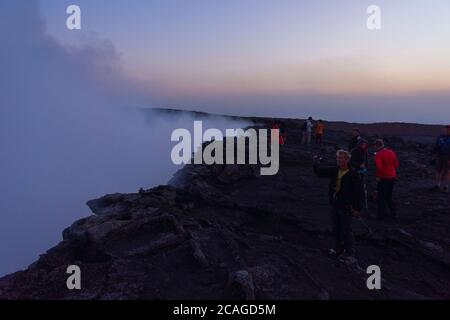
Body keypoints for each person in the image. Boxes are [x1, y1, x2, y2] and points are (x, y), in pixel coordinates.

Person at [313, 150, 363, 259]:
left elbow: (358, 193)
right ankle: (338, 249)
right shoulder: (335, 170)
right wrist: (316, 162)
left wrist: (357, 209)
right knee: (336, 228)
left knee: (346, 229)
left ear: (347, 159)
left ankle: (349, 252)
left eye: (341, 158)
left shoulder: (353, 174)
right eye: (337, 158)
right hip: (335, 204)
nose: (338, 160)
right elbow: (320, 172)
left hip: (346, 206)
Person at [374, 139, 399, 219]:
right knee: (388, 196)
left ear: (376, 146)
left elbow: (379, 167)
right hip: (392, 177)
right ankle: (393, 212)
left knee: (381, 197)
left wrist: (378, 176)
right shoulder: (391, 152)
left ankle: (381, 215)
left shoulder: (378, 154)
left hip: (384, 178)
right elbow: (396, 165)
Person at [432, 125, 450, 192]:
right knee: (438, 170)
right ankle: (437, 185)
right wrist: (434, 155)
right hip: (439, 155)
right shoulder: (440, 137)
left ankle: (446, 186)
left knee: (447, 171)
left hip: (448, 156)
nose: (447, 131)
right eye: (446, 129)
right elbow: (436, 146)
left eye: (448, 130)